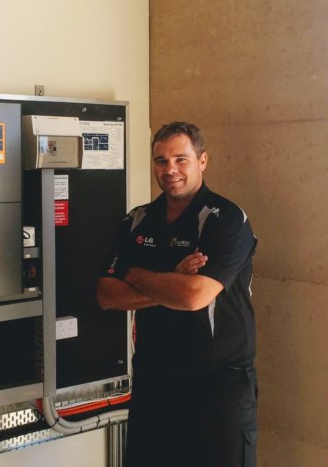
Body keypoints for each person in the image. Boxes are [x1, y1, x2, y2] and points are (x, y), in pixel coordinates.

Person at [97, 121, 258, 467]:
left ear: (202, 161)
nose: (170, 169)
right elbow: (107, 294)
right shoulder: (137, 220)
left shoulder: (227, 219)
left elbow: (194, 296)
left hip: (218, 386)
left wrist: (136, 275)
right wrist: (174, 279)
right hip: (154, 380)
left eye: (180, 159)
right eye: (161, 161)